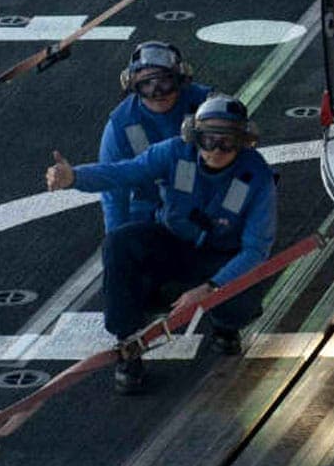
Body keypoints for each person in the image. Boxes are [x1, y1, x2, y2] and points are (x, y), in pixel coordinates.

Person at [47, 94, 277, 394]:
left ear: (244, 142)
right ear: (194, 136)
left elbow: (256, 249)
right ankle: (127, 342)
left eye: (228, 142)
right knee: (120, 242)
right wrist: (74, 177)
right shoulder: (173, 153)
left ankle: (226, 324)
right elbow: (123, 172)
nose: (217, 150)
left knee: (242, 296)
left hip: (220, 256)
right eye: (209, 140)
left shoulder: (257, 176)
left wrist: (211, 288)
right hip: (173, 243)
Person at [96, 41, 212, 234]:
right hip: (150, 206)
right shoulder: (121, 125)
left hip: (206, 197)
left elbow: (243, 163)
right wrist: (115, 240)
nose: (157, 93)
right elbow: (113, 192)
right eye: (146, 85)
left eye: (165, 82)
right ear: (134, 86)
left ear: (180, 80)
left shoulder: (208, 106)